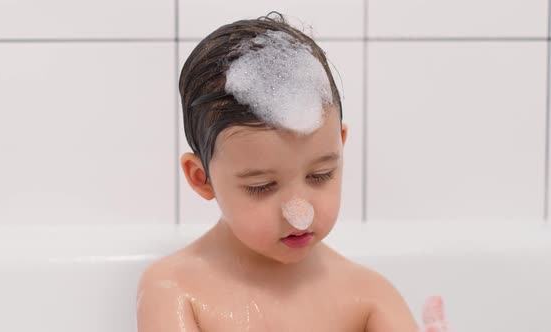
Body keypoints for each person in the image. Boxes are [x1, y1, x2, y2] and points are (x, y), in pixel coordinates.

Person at [137, 11, 450, 332]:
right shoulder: (176, 289)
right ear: (201, 178)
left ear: (341, 146)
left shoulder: (368, 298)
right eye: (262, 186)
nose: (300, 213)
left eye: (321, 174)